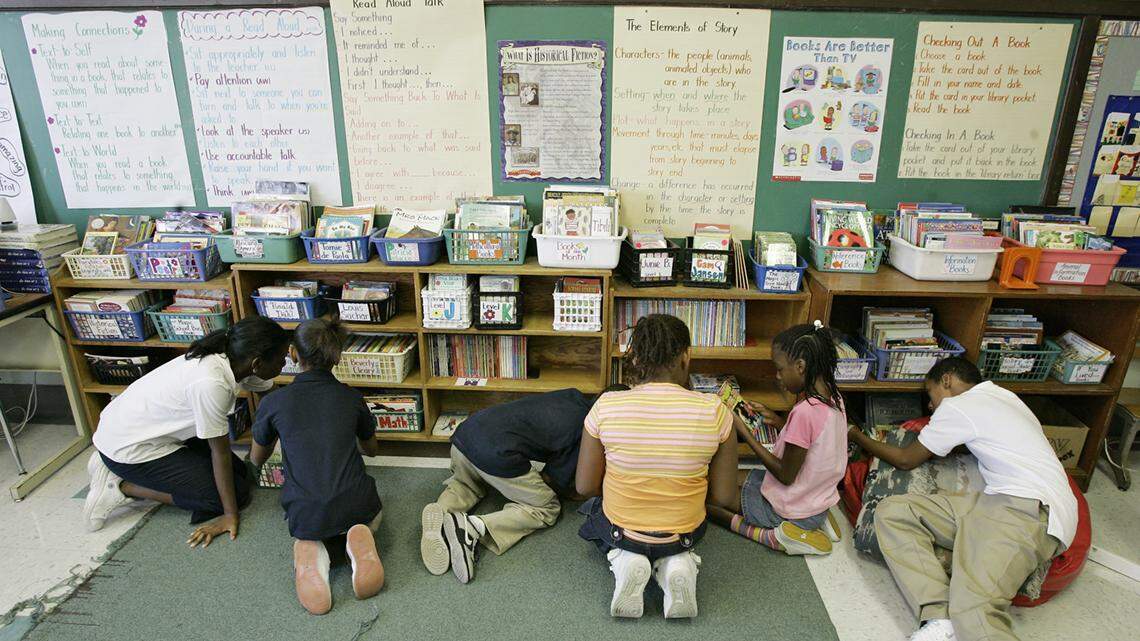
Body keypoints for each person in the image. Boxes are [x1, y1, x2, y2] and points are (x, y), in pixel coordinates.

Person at [848, 357, 1077, 641]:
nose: (930, 406)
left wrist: (855, 434)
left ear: (947, 380)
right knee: (895, 511)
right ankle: (939, 619)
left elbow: (907, 459)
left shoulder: (959, 405)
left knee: (975, 611)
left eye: (930, 394)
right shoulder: (1004, 397)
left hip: (1027, 509)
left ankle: (958, 621)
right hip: (996, 501)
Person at [575, 314, 738, 619]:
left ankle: (625, 560)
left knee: (594, 512)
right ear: (686, 357)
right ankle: (677, 563)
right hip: (685, 531)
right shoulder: (716, 411)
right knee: (679, 531)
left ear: (635, 359)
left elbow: (584, 486)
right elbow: (725, 498)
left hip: (622, 529)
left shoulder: (607, 405)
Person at [84, 316, 290, 546]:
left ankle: (120, 473)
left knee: (240, 475)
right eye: (281, 360)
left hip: (142, 430)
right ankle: (121, 487)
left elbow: (270, 400)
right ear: (257, 363)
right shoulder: (212, 383)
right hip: (129, 446)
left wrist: (270, 446)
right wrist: (229, 515)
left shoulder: (235, 355)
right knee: (231, 498)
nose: (284, 364)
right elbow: (219, 453)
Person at [419, 385, 627, 584]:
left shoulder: (571, 395)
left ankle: (441, 511)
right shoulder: (586, 430)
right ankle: (473, 528)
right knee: (547, 507)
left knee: (468, 484)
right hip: (494, 454)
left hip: (464, 437)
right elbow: (558, 483)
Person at [250, 319, 384, 615]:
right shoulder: (351, 397)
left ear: (293, 354)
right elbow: (371, 450)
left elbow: (257, 458)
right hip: (357, 502)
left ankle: (311, 548)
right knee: (370, 515)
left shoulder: (275, 401)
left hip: (305, 509)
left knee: (308, 521)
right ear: (337, 357)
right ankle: (361, 537)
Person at [707, 322, 846, 555]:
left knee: (710, 501)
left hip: (789, 509)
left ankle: (775, 536)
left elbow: (785, 474)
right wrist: (779, 421)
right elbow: (815, 444)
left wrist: (745, 433)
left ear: (801, 366)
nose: (777, 376)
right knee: (731, 477)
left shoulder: (805, 412)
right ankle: (817, 519)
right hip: (815, 499)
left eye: (780, 369)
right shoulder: (834, 399)